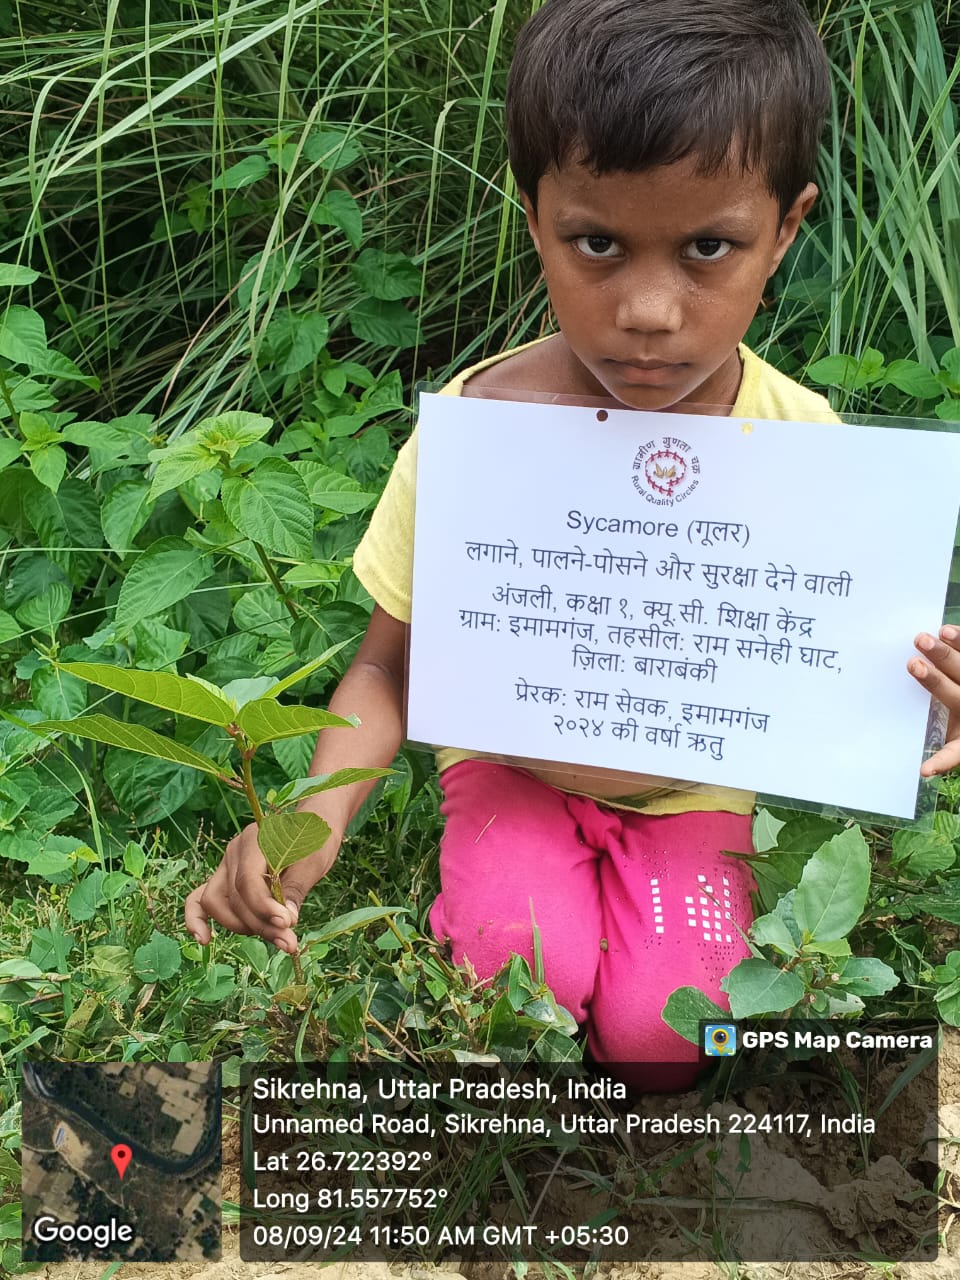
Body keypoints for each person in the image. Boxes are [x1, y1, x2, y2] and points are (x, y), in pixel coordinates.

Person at [185, 0, 960, 1087]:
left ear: (786, 228)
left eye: (708, 247)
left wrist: (928, 698)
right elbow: (386, 663)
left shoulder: (808, 452)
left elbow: (849, 671)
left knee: (669, 1040)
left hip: (698, 791)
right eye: (598, 242)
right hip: (513, 767)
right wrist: (306, 823)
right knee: (518, 991)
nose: (649, 308)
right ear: (534, 213)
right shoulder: (481, 431)